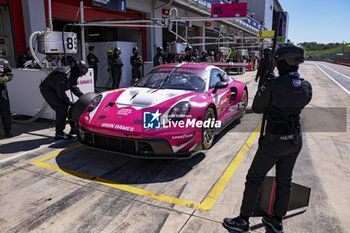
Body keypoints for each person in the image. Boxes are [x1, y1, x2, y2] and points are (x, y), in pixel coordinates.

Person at [223, 43, 312, 233]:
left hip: (274, 142)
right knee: (284, 180)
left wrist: (266, 85)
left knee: (254, 178)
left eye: (278, 61)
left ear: (283, 62)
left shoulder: (273, 84)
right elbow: (299, 100)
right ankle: (277, 219)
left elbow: (257, 108)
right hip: (294, 141)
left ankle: (243, 220)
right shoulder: (306, 86)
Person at [40, 61, 88, 140]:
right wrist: (68, 102)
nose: (84, 73)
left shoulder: (74, 74)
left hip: (56, 90)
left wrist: (83, 96)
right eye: (83, 70)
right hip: (48, 90)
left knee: (70, 107)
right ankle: (59, 133)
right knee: (61, 108)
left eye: (85, 71)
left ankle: (73, 129)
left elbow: (74, 87)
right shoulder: (63, 74)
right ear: (78, 68)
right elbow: (61, 93)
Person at [0, 58, 13, 138]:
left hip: (2, 91)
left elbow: (10, 75)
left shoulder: (4, 62)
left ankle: (7, 130)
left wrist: (3, 79)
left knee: (5, 112)